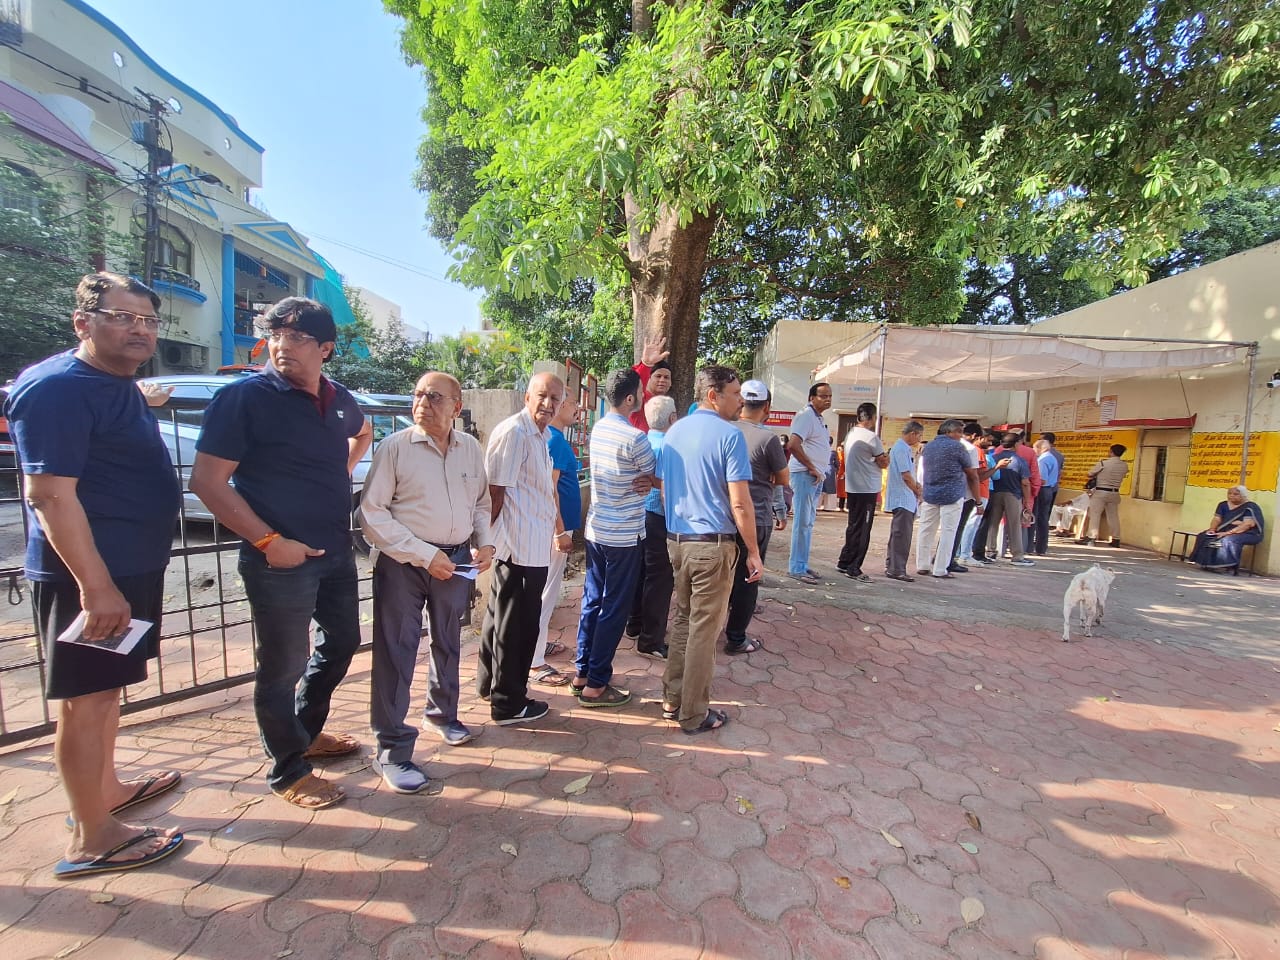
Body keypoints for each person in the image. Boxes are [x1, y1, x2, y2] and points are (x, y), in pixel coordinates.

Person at [6, 272, 185, 878]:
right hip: (92, 577)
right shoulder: (57, 388)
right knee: (84, 700)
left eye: (149, 320)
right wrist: (96, 585)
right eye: (122, 316)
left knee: (106, 692)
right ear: (83, 322)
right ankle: (92, 835)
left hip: (129, 568)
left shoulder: (114, 383)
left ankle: (105, 789)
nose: (139, 329)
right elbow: (50, 496)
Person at [191, 297, 373, 810]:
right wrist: (269, 542)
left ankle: (304, 731)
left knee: (342, 643)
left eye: (297, 338)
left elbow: (364, 431)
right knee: (281, 665)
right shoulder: (246, 398)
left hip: (336, 550)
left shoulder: (338, 399)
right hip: (279, 562)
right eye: (276, 336)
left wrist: (342, 467)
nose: (282, 346)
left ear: (326, 348)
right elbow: (208, 482)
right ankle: (288, 769)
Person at [359, 372, 495, 794]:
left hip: (454, 561)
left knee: (449, 641)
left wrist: (484, 542)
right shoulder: (395, 448)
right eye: (418, 394)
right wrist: (424, 555)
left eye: (434, 396)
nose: (423, 402)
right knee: (397, 652)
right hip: (404, 562)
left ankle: (442, 715)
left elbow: (481, 503)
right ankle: (393, 751)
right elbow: (371, 514)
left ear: (456, 406)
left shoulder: (469, 448)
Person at [658, 365, 764, 735]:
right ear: (713, 395)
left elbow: (665, 488)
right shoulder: (729, 436)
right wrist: (753, 550)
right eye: (735, 394)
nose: (741, 401)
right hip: (711, 546)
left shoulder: (674, 432)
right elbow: (740, 503)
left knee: (686, 622)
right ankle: (693, 713)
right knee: (704, 630)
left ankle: (673, 698)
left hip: (678, 541)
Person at [476, 372, 567, 725]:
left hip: (530, 543)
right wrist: (485, 541)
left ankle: (491, 686)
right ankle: (508, 703)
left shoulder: (540, 436)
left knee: (501, 619)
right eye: (542, 396)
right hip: (517, 546)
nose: (548, 404)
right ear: (527, 396)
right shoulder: (514, 432)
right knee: (518, 627)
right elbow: (494, 492)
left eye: (555, 399)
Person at [571, 368, 656, 708]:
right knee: (614, 607)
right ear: (632, 398)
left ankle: (582, 672)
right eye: (642, 392)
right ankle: (596, 683)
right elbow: (653, 473)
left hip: (597, 530)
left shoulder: (598, 428)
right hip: (623, 535)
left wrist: (645, 480)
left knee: (593, 600)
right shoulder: (636, 438)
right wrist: (648, 481)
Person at [724, 380, 788, 653]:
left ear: (741, 402)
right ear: (767, 407)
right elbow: (783, 477)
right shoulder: (768, 438)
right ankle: (736, 638)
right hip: (757, 516)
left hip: (724, 516)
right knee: (749, 578)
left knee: (723, 576)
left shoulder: (725, 431)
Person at [531, 391, 581, 687]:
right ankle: (535, 661)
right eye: (574, 402)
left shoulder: (551, 438)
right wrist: (559, 531)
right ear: (561, 405)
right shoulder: (556, 442)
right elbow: (550, 490)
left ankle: (537, 645)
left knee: (545, 591)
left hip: (550, 529)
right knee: (545, 593)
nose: (577, 408)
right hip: (554, 531)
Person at [623, 394, 679, 659]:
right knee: (660, 580)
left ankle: (634, 625)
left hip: (640, 514)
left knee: (641, 573)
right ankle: (651, 640)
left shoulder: (643, 441)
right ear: (672, 418)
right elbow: (667, 488)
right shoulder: (670, 446)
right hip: (659, 517)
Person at [915, 420, 981, 579]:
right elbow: (971, 474)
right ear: (954, 432)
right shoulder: (958, 447)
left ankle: (922, 565)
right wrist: (978, 500)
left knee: (925, 530)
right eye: (960, 433)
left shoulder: (928, 446)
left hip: (930, 493)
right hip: (952, 495)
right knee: (948, 532)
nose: (961, 436)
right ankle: (940, 569)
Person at [786, 382, 833, 583]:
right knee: (802, 522)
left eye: (830, 396)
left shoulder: (818, 419)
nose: (828, 399)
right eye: (823, 395)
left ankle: (802, 564)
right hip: (805, 474)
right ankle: (796, 567)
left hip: (815, 476)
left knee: (808, 522)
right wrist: (811, 466)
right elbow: (793, 444)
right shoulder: (806, 416)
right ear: (811, 398)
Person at [838, 402, 888, 583]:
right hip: (866, 488)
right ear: (873, 417)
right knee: (863, 529)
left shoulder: (851, 433)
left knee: (853, 525)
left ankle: (844, 561)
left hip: (853, 486)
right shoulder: (871, 437)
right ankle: (854, 567)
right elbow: (883, 462)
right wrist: (882, 459)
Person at [982, 432, 1035, 567]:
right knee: (1014, 525)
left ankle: (990, 551)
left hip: (994, 493)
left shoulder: (994, 457)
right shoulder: (1019, 460)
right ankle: (1017, 555)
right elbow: (1025, 482)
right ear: (1016, 444)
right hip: (1013, 495)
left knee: (993, 523)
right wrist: (1027, 501)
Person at [883, 421, 924, 582]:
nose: (920, 438)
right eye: (919, 435)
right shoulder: (900, 449)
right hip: (903, 498)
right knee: (902, 535)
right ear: (913, 433)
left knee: (899, 534)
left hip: (905, 497)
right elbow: (905, 476)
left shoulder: (904, 449)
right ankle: (896, 569)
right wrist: (917, 489)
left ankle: (893, 566)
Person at [1189, 485, 1264, 571]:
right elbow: (1217, 519)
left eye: (1235, 494)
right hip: (1225, 530)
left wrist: (1227, 533)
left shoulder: (1250, 507)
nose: (1231, 495)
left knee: (1226, 540)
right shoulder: (1223, 505)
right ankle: (1206, 563)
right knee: (1204, 535)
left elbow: (1247, 525)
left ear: (1243, 496)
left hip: (1249, 533)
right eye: (1229, 493)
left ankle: (1226, 564)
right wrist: (1212, 529)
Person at [1080, 444, 1129, 546]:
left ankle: (1091, 537)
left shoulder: (1103, 463)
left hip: (1101, 492)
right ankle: (1116, 539)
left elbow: (1090, 474)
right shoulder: (1124, 465)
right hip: (1115, 492)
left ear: (1111, 451)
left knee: (1095, 514)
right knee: (1113, 516)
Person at [628, 336, 672, 431]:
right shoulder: (639, 398)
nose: (662, 380)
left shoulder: (669, 405)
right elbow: (633, 385)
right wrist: (646, 364)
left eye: (666, 377)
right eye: (658, 376)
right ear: (649, 378)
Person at [1030, 438, 1060, 555]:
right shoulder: (1052, 457)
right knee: (1043, 519)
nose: (1034, 451)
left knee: (1038, 518)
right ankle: (1041, 547)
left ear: (1040, 448)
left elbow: (1042, 479)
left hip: (1042, 490)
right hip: (1049, 490)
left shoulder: (1043, 460)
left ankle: (1038, 547)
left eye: (1034, 448)